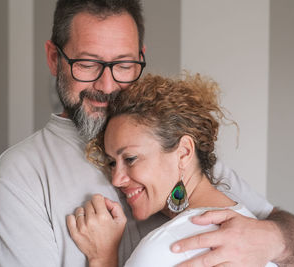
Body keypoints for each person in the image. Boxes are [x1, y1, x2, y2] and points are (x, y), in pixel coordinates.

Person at [0, 0, 294, 266]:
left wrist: (271, 239)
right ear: (55, 59)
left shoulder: (175, 144)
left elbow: (285, 231)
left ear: (140, 57)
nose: (107, 86)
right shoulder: (19, 175)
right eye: (87, 63)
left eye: (123, 65)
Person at [66, 73, 280, 267]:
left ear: (184, 152)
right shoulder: (252, 232)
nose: (116, 180)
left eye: (130, 158)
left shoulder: (166, 249)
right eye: (112, 162)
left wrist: (102, 258)